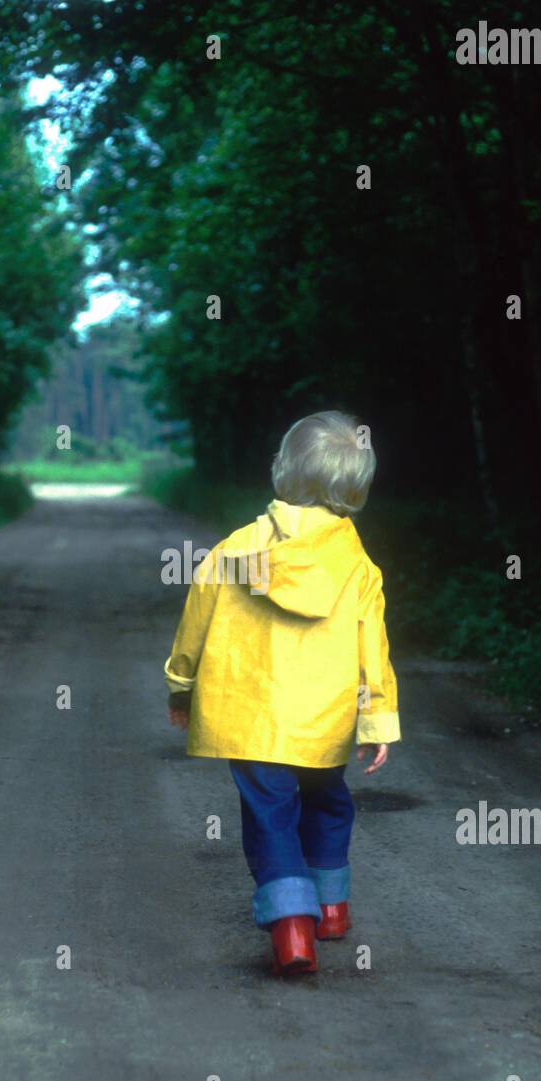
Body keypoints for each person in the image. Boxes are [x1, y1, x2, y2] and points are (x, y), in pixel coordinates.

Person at [164, 411, 401, 976]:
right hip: (323, 721)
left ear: (282, 471)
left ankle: (293, 930)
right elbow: (374, 651)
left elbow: (193, 628)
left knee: (270, 814)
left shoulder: (235, 549)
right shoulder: (359, 568)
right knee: (328, 801)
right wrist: (377, 720)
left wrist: (181, 687)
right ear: (355, 487)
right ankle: (332, 907)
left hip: (250, 718)